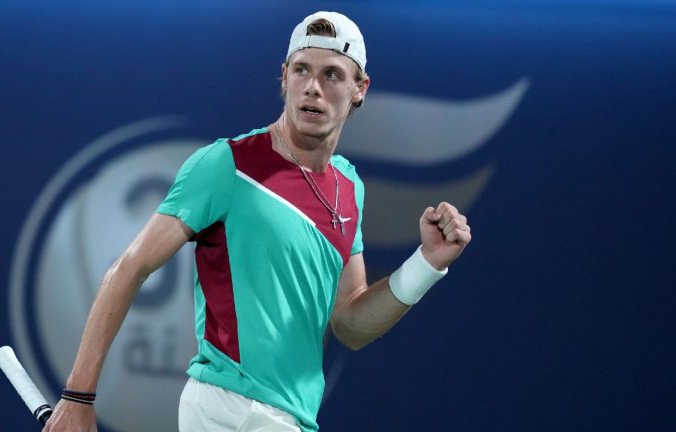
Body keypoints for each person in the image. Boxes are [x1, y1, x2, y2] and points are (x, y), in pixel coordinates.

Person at [43, 10, 471, 432]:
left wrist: (426, 264)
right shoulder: (227, 164)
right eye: (302, 70)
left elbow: (351, 324)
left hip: (290, 419)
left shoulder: (349, 187)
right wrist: (78, 397)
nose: (313, 89)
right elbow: (129, 268)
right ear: (284, 77)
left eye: (332, 75)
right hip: (224, 408)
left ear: (360, 89)